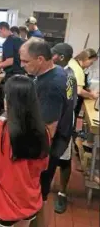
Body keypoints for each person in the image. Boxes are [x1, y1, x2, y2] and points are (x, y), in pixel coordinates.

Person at [0, 75, 50, 227]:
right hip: (29, 204)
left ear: (8, 101)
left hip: (2, 208)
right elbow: (42, 167)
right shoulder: (43, 132)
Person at [20, 38, 74, 227]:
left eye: (25, 61)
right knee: (42, 192)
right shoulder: (63, 72)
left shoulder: (50, 85)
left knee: (37, 192)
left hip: (48, 147)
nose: (22, 65)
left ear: (40, 59)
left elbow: (47, 130)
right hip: (62, 138)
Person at [50, 43, 78, 214]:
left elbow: (70, 103)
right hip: (50, 119)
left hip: (63, 121)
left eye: (52, 54)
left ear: (60, 57)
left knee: (64, 158)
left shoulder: (69, 77)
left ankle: (62, 192)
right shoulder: (53, 71)